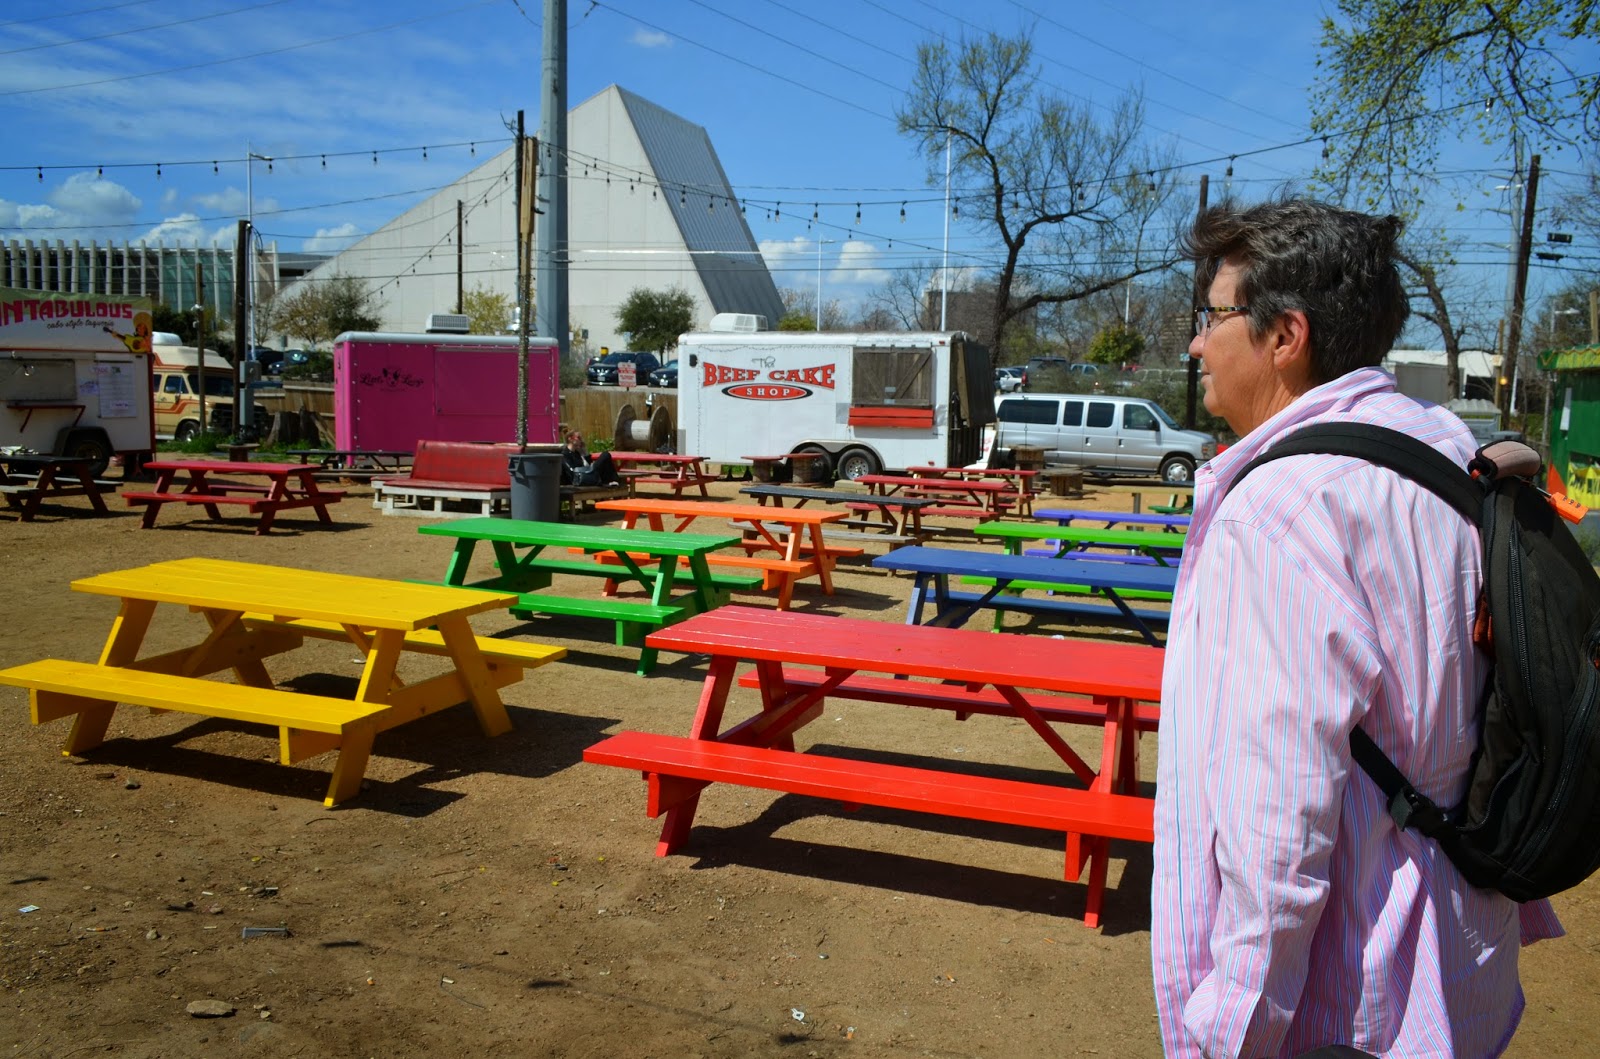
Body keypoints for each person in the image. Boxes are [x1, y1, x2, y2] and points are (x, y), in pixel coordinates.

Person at [1150, 196, 1563, 1058]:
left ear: (1283, 336)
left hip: (1349, 1004)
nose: (1197, 342)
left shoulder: (1278, 509)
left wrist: (1227, 1034)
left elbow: (1275, 825)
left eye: (1213, 315)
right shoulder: (1454, 453)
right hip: (1463, 961)